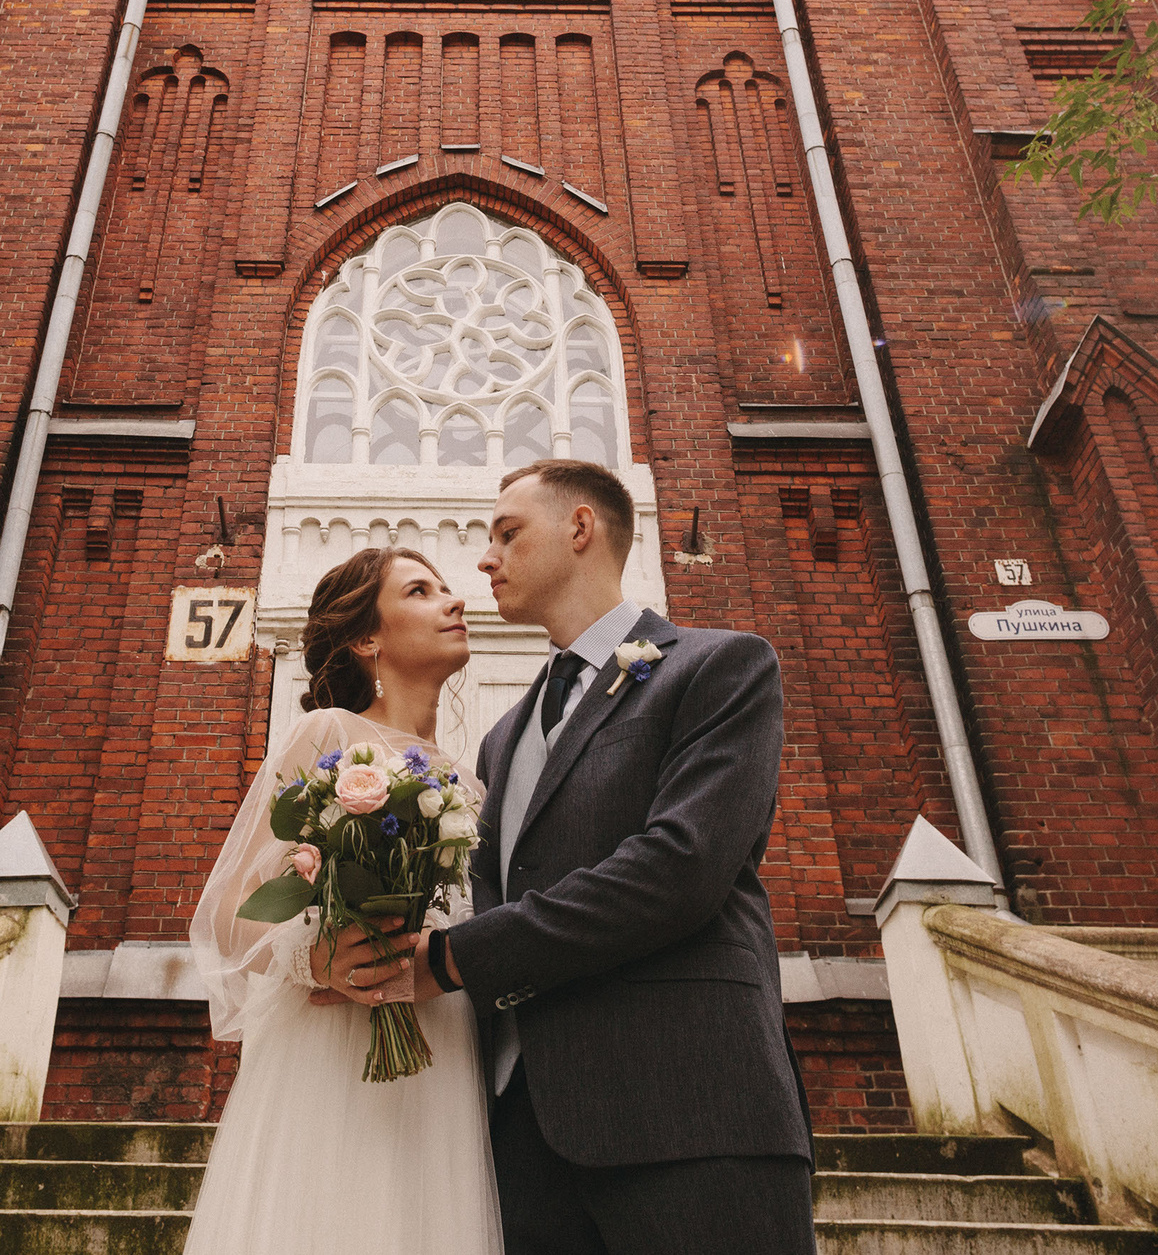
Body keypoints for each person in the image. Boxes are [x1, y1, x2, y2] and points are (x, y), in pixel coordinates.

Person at [418, 459, 817, 1255]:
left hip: (692, 1114)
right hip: (525, 1139)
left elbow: (680, 866)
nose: (485, 560)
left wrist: (451, 958)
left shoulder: (720, 667)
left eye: (506, 533)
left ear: (580, 528)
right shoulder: (501, 738)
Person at [183, 547, 505, 1255]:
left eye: (450, 588)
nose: (455, 601)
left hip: (443, 1045)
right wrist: (317, 958)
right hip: (334, 1049)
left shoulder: (474, 782)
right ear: (369, 638)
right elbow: (231, 911)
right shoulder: (327, 734)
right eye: (423, 590)